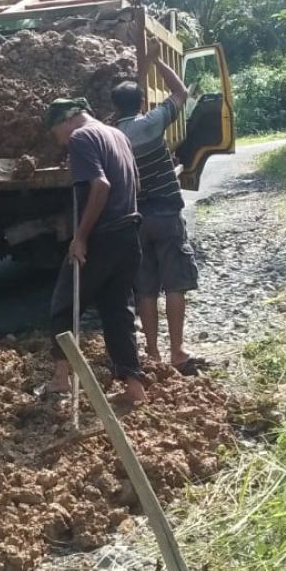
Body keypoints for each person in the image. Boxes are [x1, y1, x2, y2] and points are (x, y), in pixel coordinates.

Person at [40, 97, 148, 410]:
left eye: (55, 132)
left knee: (63, 303)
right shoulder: (117, 135)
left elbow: (100, 186)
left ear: (65, 120)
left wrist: (81, 237)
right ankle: (134, 386)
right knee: (117, 311)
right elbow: (135, 183)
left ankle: (61, 379)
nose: (59, 141)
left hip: (102, 237)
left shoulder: (81, 137)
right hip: (129, 233)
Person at [111, 46, 207, 375]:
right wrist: (156, 60)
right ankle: (177, 351)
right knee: (175, 284)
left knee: (147, 289)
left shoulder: (114, 137)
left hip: (136, 220)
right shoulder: (152, 123)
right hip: (166, 214)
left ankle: (151, 354)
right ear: (141, 103)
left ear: (114, 108)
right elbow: (181, 91)